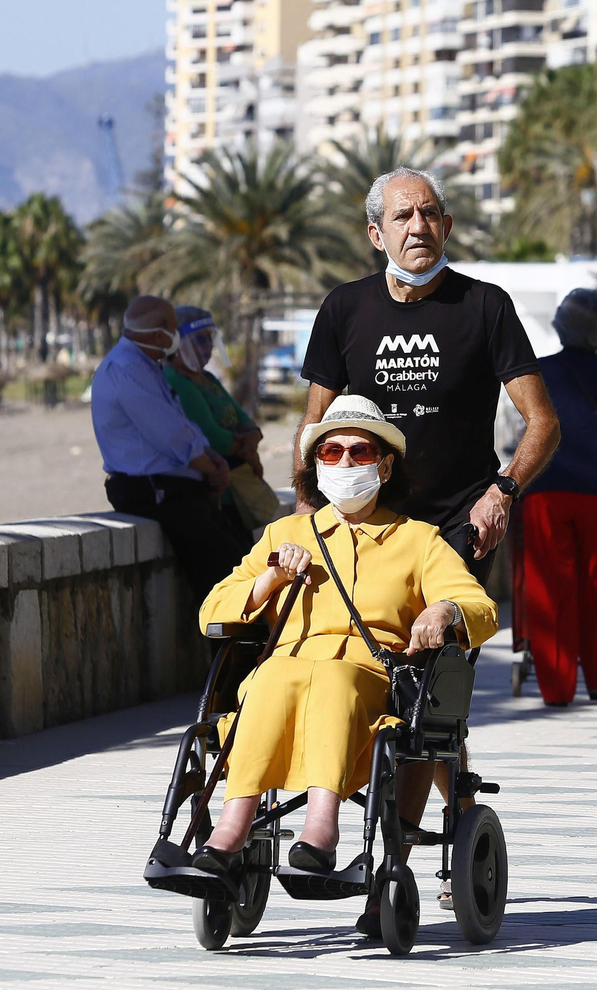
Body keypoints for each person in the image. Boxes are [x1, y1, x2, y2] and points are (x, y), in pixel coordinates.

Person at [297, 166, 560, 918]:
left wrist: (502, 491)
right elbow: (313, 430)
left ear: (446, 224)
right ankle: (456, 798)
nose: (419, 227)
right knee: (383, 685)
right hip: (368, 533)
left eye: (431, 213)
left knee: (426, 683)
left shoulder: (485, 306)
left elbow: (543, 422)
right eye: (403, 216)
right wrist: (306, 518)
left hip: (454, 532)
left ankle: (391, 860)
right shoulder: (344, 309)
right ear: (376, 233)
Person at [192, 397, 496, 891]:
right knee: (270, 676)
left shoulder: (418, 540)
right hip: (286, 667)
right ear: (316, 465)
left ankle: (320, 827)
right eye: (331, 452)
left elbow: (478, 605)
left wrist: (443, 610)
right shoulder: (284, 533)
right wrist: (270, 578)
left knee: (333, 677)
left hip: (371, 677)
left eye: (360, 451)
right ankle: (231, 827)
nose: (346, 462)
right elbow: (212, 611)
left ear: (385, 465)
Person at [92, 295, 248, 598]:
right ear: (158, 334)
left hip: (175, 489)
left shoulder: (145, 366)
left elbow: (182, 425)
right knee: (224, 571)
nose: (175, 336)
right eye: (173, 329)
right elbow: (172, 438)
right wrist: (213, 469)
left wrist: (211, 458)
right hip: (153, 490)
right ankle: (227, 629)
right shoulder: (128, 369)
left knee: (239, 557)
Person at [519, 289, 597, 707]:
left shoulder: (539, 371)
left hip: (548, 488)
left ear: (561, 325)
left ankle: (558, 687)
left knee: (550, 586)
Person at [163, 306, 282, 531]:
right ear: (176, 343)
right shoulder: (174, 379)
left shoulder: (207, 377)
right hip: (214, 490)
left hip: (234, 483)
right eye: (200, 340)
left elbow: (243, 417)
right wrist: (248, 451)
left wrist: (252, 436)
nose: (208, 347)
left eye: (210, 339)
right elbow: (211, 436)